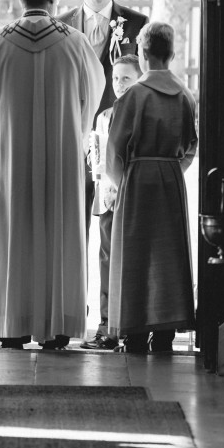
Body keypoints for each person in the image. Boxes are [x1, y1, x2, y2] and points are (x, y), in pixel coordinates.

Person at [0, 0, 104, 350]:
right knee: (59, 230)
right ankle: (58, 325)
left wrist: (10, 125)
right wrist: (74, 130)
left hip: (13, 152)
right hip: (62, 153)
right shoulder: (76, 43)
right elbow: (92, 95)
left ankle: (12, 324)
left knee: (14, 229)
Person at [58, 0, 148, 344]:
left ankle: (109, 321)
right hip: (72, 143)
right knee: (71, 234)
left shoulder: (137, 25)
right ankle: (68, 316)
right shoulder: (60, 26)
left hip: (117, 145)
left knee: (112, 239)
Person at [106, 22, 197, 354]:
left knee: (137, 254)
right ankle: (165, 331)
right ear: (171, 54)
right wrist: (171, 168)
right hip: (170, 178)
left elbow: (115, 148)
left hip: (139, 177)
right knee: (167, 256)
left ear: (143, 55)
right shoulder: (185, 95)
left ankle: (133, 331)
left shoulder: (133, 96)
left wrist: (122, 180)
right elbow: (190, 146)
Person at [80, 54, 142, 350]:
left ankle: (131, 324)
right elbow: (100, 157)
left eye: (126, 78)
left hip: (132, 195)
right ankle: (106, 325)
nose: (119, 84)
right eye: (116, 78)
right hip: (107, 197)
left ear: (139, 79)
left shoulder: (141, 111)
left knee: (131, 262)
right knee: (106, 260)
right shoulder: (104, 116)